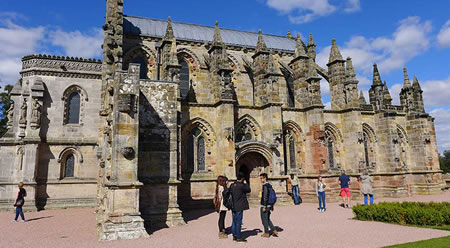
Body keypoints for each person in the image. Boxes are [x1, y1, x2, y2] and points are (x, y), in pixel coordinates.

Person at [230, 172, 251, 243]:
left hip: (233, 205)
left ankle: (234, 236)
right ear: (242, 178)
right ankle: (238, 237)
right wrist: (245, 183)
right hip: (239, 206)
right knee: (239, 221)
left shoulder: (232, 185)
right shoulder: (242, 185)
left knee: (234, 221)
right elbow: (248, 190)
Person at [260, 173, 278, 238]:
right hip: (269, 205)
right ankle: (274, 230)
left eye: (261, 178)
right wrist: (272, 205)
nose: (261, 180)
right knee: (267, 219)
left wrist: (264, 206)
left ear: (265, 178)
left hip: (265, 205)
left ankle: (266, 233)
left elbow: (265, 197)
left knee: (264, 219)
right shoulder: (270, 185)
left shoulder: (265, 186)